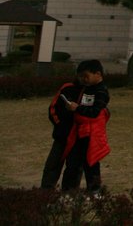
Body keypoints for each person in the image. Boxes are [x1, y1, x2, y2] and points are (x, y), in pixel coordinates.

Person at [60, 59, 110, 194]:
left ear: (98, 74)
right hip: (80, 132)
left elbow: (94, 112)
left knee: (91, 163)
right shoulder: (85, 88)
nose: (83, 79)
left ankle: (95, 191)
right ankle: (68, 191)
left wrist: (77, 109)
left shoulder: (101, 91)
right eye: (81, 77)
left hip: (92, 134)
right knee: (72, 163)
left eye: (86, 76)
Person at [41, 65, 86, 188]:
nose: (83, 79)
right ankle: (45, 192)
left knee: (75, 167)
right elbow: (53, 109)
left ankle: (69, 194)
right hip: (62, 136)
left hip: (80, 138)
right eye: (81, 76)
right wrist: (60, 125)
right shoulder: (67, 88)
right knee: (52, 165)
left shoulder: (93, 92)